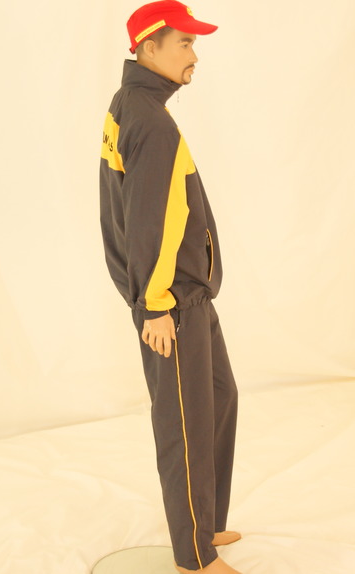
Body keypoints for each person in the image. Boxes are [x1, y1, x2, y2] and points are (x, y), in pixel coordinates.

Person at [98, 2, 242, 573]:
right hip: (172, 302)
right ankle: (194, 556)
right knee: (185, 426)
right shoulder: (152, 123)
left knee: (220, 399)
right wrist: (154, 305)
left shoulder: (134, 104)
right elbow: (150, 221)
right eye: (184, 43)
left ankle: (206, 524)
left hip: (188, 296)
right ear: (148, 47)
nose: (194, 54)